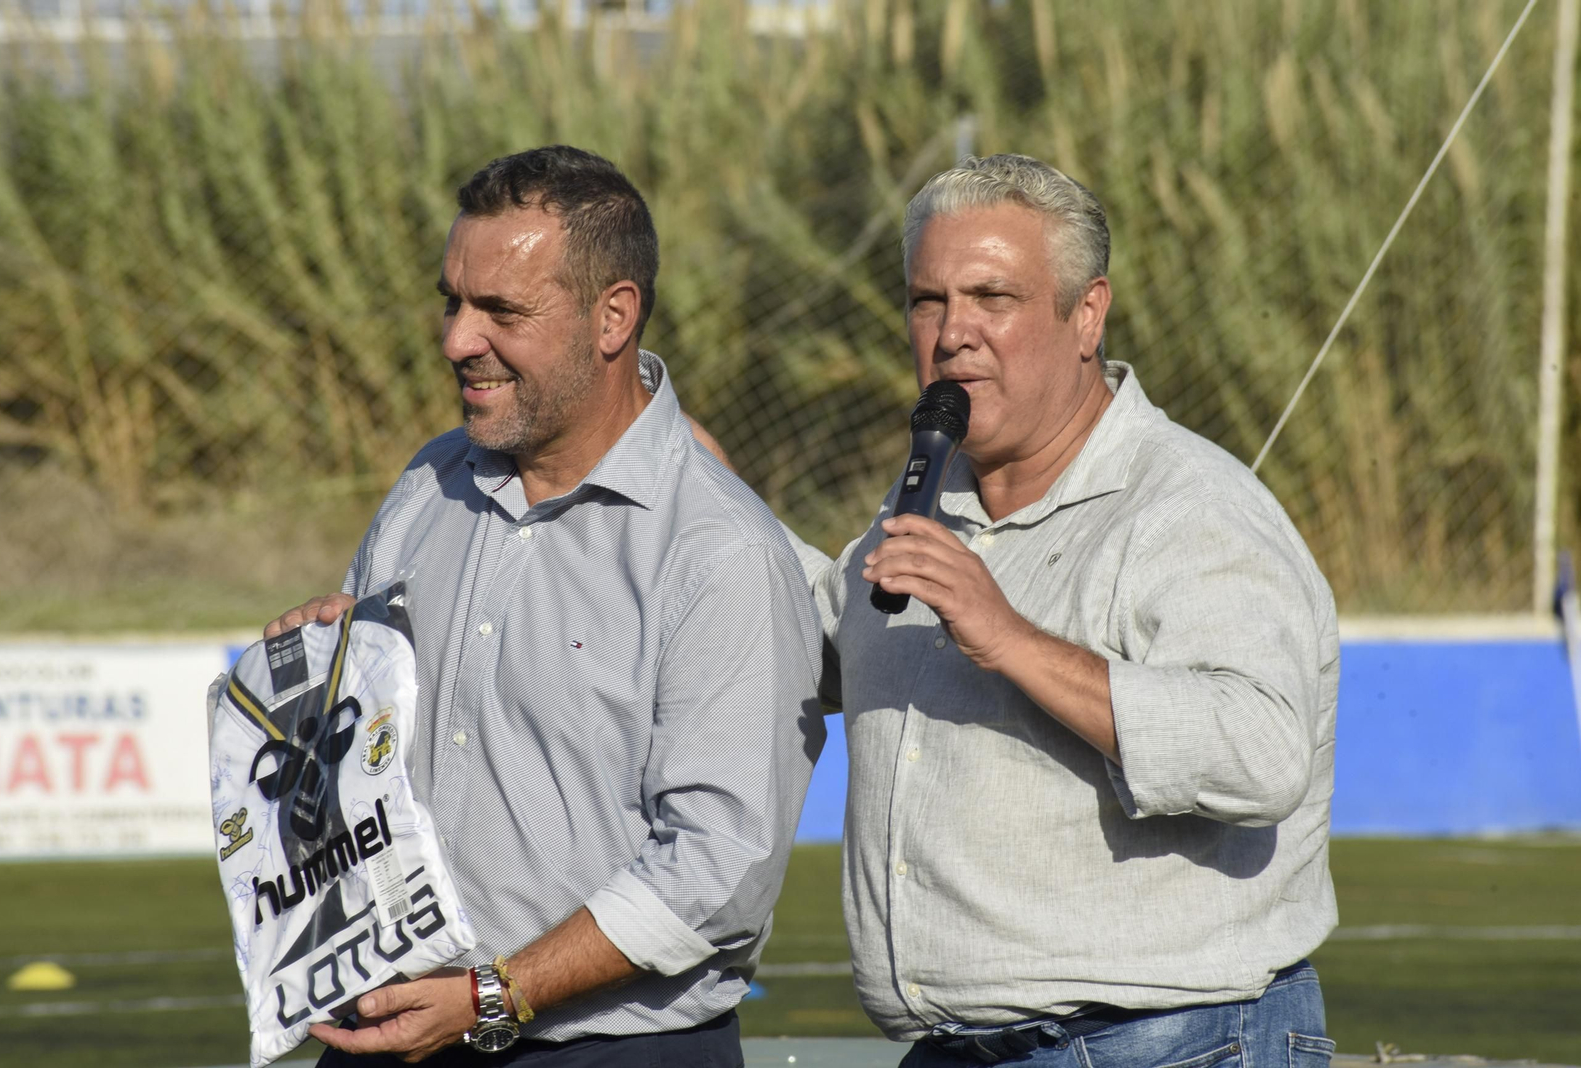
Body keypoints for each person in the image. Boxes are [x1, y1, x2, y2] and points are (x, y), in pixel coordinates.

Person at [773, 153, 1340, 1067]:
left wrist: (1009, 639)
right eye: (927, 301)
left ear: (1088, 314)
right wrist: (699, 500)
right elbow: (826, 641)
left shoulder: (1189, 505)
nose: (953, 335)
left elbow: (1264, 751)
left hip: (1170, 1045)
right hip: (964, 1047)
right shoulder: (931, 497)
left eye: (992, 298)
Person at [264, 145, 824, 1066]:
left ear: (614, 317)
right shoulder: (428, 484)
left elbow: (718, 870)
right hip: (391, 1032)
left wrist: (491, 996)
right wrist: (320, 682)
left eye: (502, 311)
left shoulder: (722, 552)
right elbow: (361, 770)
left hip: (610, 1051)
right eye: (452, 301)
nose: (457, 340)